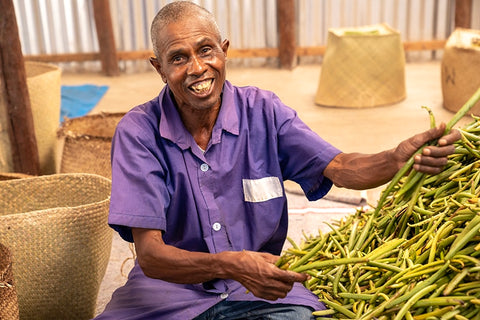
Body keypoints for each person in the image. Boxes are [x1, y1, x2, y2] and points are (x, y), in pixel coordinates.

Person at [94, 1, 461, 319]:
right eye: (178, 58)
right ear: (159, 69)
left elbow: (340, 167)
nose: (196, 68)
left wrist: (394, 159)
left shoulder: (264, 111)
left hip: (259, 290)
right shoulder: (139, 133)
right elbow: (152, 257)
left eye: (205, 50)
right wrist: (230, 265)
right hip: (167, 294)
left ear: (224, 51)